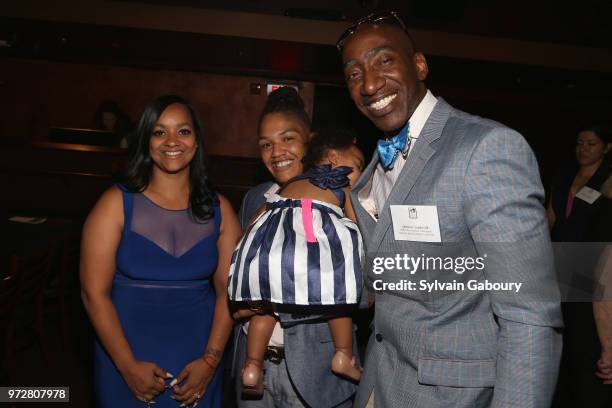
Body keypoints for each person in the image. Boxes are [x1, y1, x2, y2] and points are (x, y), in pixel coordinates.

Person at [336, 11, 563, 407]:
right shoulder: (373, 165)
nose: (369, 84)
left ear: (419, 65)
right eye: (354, 73)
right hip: (380, 382)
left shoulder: (486, 148)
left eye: (384, 60)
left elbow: (529, 316)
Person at [81, 95, 241, 407]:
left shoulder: (219, 209)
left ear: (196, 143)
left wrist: (210, 362)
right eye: (159, 131)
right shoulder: (115, 204)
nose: (172, 141)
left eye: (183, 131)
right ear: (146, 141)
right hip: (125, 355)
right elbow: (93, 294)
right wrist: (126, 366)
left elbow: (229, 293)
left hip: (197, 359)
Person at [231, 87, 361, 408]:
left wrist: (294, 286)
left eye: (288, 138)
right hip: (255, 369)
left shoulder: (343, 195)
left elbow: (367, 282)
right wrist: (250, 303)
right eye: (266, 144)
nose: (277, 151)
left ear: (311, 140)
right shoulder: (255, 198)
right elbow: (237, 271)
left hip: (317, 374)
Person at [547, 125, 611, 407]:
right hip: (557, 265)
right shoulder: (563, 177)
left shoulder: (608, 180)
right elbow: (549, 222)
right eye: (580, 143)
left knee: (583, 338)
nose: (583, 149)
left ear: (607, 148)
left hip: (590, 267)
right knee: (557, 338)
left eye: (591, 144)